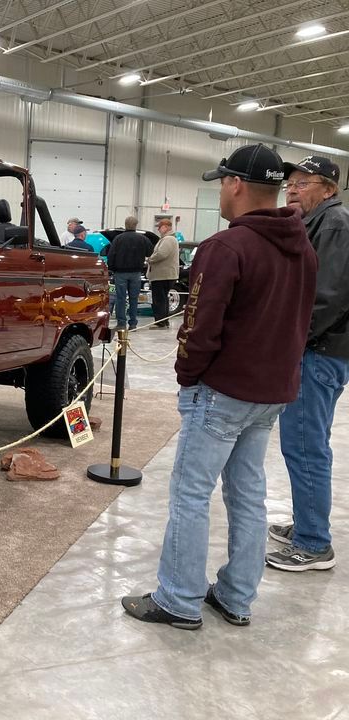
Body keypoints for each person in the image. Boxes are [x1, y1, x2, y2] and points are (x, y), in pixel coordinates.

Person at [122, 144, 317, 629]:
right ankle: (235, 596)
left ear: (235, 184)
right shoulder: (303, 248)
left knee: (191, 492)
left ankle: (179, 599)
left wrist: (189, 376)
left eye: (222, 184)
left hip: (222, 392)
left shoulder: (225, 248)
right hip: (272, 393)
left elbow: (200, 327)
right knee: (248, 495)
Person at [266, 155, 349, 572]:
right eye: (290, 183)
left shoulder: (333, 225)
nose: (292, 189)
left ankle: (314, 543)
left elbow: (328, 297)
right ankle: (306, 523)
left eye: (303, 183)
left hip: (317, 353)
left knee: (304, 446)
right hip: (322, 351)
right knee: (308, 443)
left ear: (329, 189)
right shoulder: (318, 223)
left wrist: (290, 341)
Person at [106, 216, 152, 330]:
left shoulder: (118, 239)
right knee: (133, 298)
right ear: (136, 225)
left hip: (120, 273)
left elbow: (111, 255)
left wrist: (111, 269)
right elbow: (150, 252)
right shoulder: (143, 239)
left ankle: (121, 323)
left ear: (125, 224)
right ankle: (133, 323)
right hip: (136, 273)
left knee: (120, 298)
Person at [146, 218, 179, 328]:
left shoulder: (168, 239)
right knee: (163, 298)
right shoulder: (170, 239)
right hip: (166, 275)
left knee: (159, 299)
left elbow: (161, 254)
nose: (159, 230)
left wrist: (150, 259)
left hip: (162, 276)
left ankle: (160, 322)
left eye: (159, 227)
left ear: (165, 227)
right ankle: (164, 321)